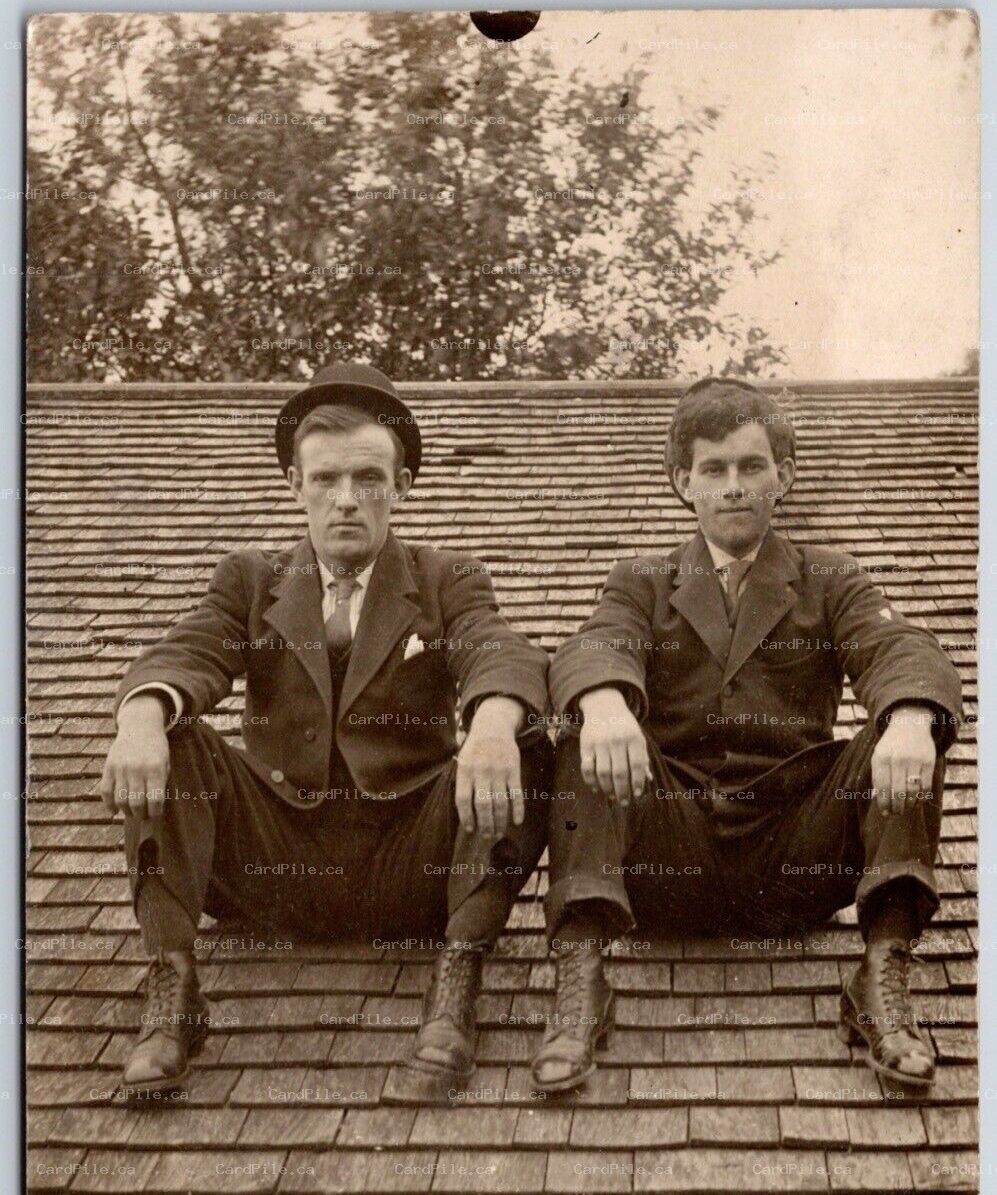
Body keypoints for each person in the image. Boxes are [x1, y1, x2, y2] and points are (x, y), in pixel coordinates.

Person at [102, 361, 551, 1103]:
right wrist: (142, 712)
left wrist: (494, 723)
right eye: (326, 481)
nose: (347, 501)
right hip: (276, 866)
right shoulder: (251, 579)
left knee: (533, 737)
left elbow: (496, 647)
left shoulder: (447, 578)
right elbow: (189, 650)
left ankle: (458, 976)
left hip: (412, 864)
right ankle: (172, 990)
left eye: (369, 479)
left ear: (401, 486)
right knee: (173, 728)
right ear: (294, 484)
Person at [539, 376, 961, 1094]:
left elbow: (901, 650)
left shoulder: (831, 579)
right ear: (684, 483)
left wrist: (914, 717)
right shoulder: (641, 580)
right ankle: (580, 982)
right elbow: (594, 642)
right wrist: (605, 702)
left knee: (902, 724)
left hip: (791, 856)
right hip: (671, 855)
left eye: (750, 466)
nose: (733, 487)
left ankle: (882, 977)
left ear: (783, 476)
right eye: (713, 469)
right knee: (585, 726)